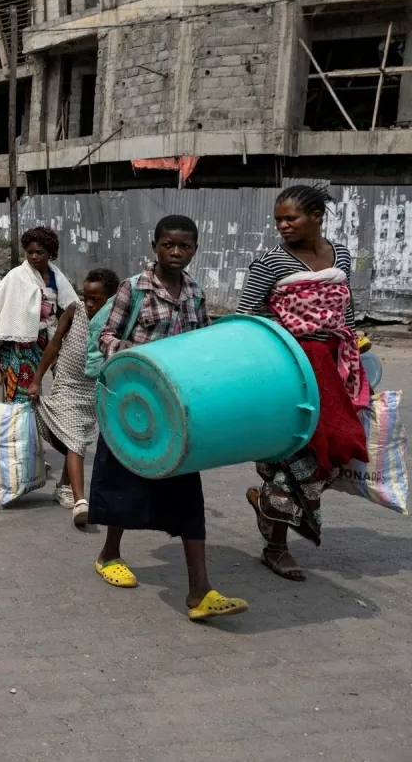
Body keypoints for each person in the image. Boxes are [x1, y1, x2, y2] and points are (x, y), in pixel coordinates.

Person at [89, 214, 247, 622]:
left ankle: (200, 592)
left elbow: (202, 339)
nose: (176, 252)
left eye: (185, 246)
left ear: (195, 248)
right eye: (168, 245)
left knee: (187, 497)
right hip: (133, 407)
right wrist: (138, 360)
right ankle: (109, 554)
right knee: (124, 487)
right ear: (154, 245)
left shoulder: (194, 291)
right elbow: (106, 335)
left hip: (176, 414)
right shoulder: (133, 288)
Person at [236, 185, 369, 582]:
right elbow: (246, 316)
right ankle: (276, 548)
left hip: (335, 365)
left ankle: (267, 507)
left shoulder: (340, 255)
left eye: (290, 218)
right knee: (294, 455)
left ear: (316, 216)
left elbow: (346, 312)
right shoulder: (270, 263)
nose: (283, 225)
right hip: (289, 368)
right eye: (278, 219)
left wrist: (358, 355)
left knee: (340, 448)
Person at [28, 268, 119, 526]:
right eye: (86, 297)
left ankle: (65, 486)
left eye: (96, 299)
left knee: (75, 441)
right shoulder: (74, 311)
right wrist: (37, 380)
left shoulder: (115, 321)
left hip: (94, 390)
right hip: (67, 385)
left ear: (111, 299)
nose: (89, 304)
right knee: (74, 439)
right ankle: (81, 502)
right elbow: (54, 344)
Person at [0, 226, 79, 406]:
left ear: (50, 252)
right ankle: (22, 431)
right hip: (21, 345)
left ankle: (35, 429)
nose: (34, 256)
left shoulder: (56, 276)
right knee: (24, 394)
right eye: (30, 252)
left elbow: (69, 305)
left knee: (63, 386)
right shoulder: (16, 277)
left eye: (39, 252)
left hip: (46, 340)